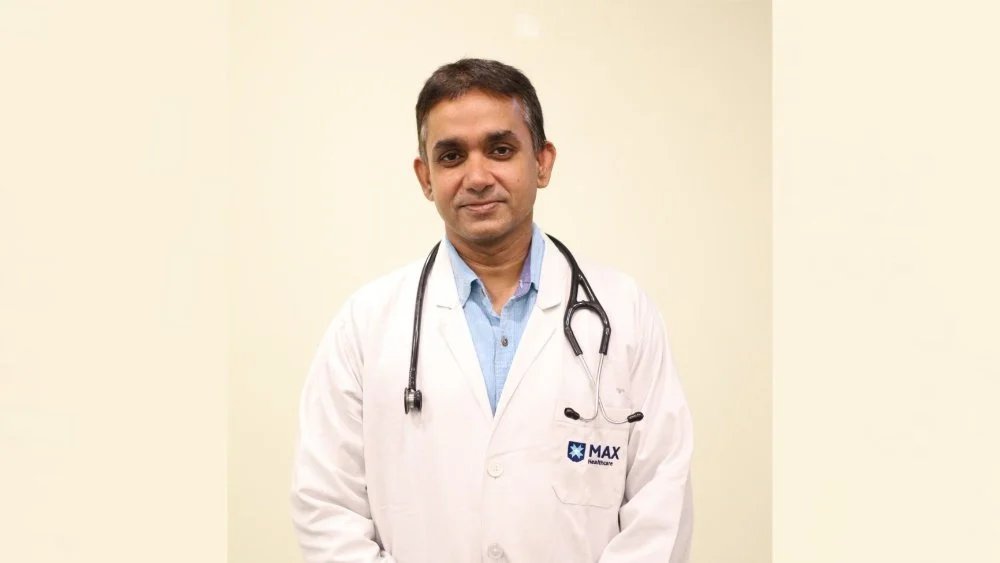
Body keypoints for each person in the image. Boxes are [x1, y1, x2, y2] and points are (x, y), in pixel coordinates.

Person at [290, 58, 694, 563]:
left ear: (542, 162)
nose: (477, 177)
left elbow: (662, 502)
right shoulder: (366, 325)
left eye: (500, 150)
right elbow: (326, 508)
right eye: (452, 156)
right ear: (425, 177)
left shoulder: (625, 312)